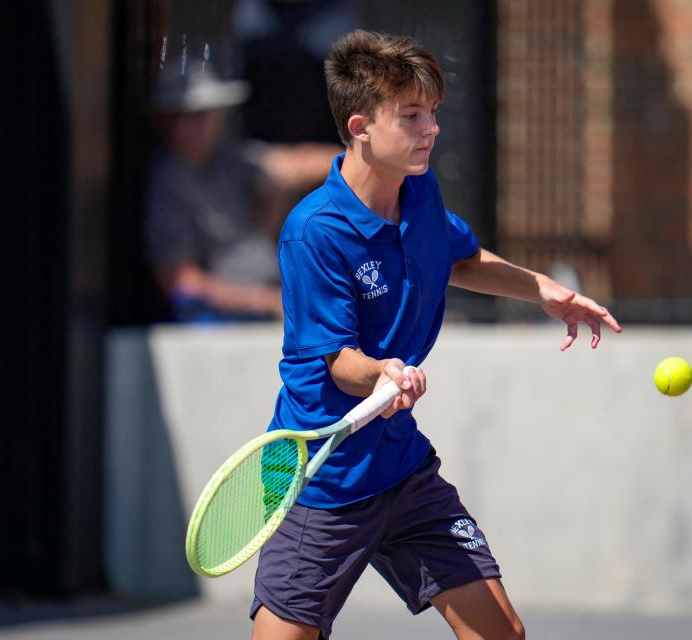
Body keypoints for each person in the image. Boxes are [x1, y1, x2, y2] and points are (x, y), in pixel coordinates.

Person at [252, 30, 622, 640]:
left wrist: (543, 291)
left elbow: (458, 257)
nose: (431, 129)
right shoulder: (313, 232)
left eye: (434, 113)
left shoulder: (419, 191)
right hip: (319, 475)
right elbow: (334, 361)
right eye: (412, 116)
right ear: (361, 126)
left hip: (402, 470)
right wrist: (382, 372)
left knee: (502, 633)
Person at [145, 63, 339, 322]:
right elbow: (181, 282)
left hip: (270, 295)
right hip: (217, 319)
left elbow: (291, 166)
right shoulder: (167, 182)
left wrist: (359, 163)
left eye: (210, 112)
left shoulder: (229, 159)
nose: (204, 124)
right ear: (168, 121)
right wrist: (267, 301)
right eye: (193, 115)